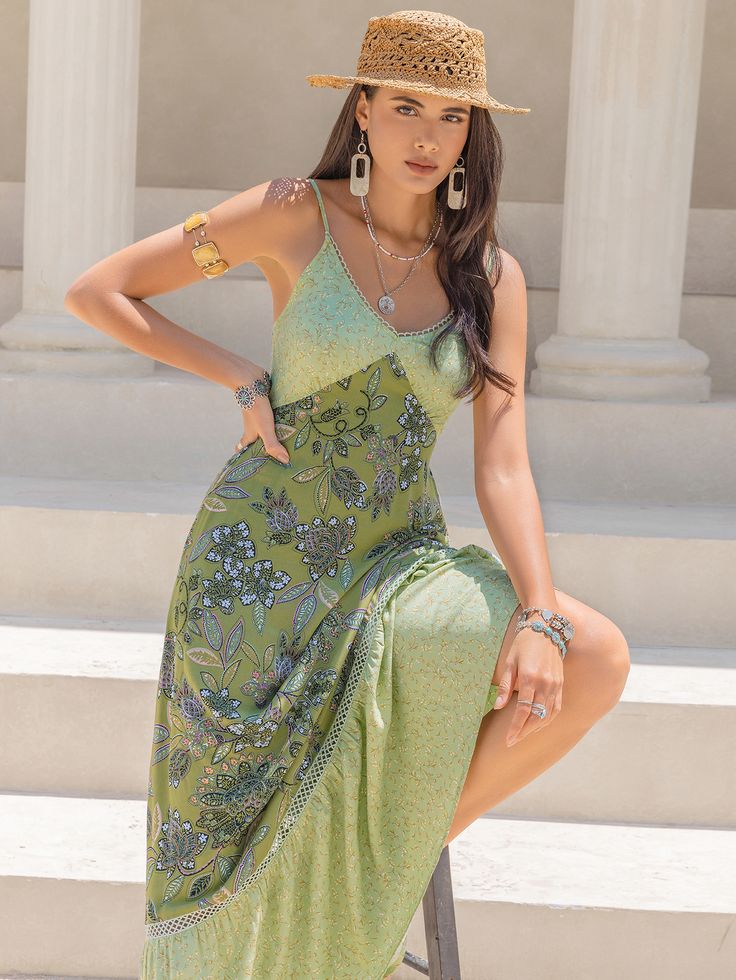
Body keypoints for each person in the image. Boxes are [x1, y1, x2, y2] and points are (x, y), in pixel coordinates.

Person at [64, 9, 631, 979]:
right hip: (253, 570)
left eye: (451, 116)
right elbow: (102, 289)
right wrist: (238, 375)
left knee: (596, 656)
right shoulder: (292, 212)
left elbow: (502, 462)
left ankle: (368, 868)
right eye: (405, 106)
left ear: (471, 136)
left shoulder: (493, 278)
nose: (426, 135)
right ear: (361, 110)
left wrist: (537, 605)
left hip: (395, 563)